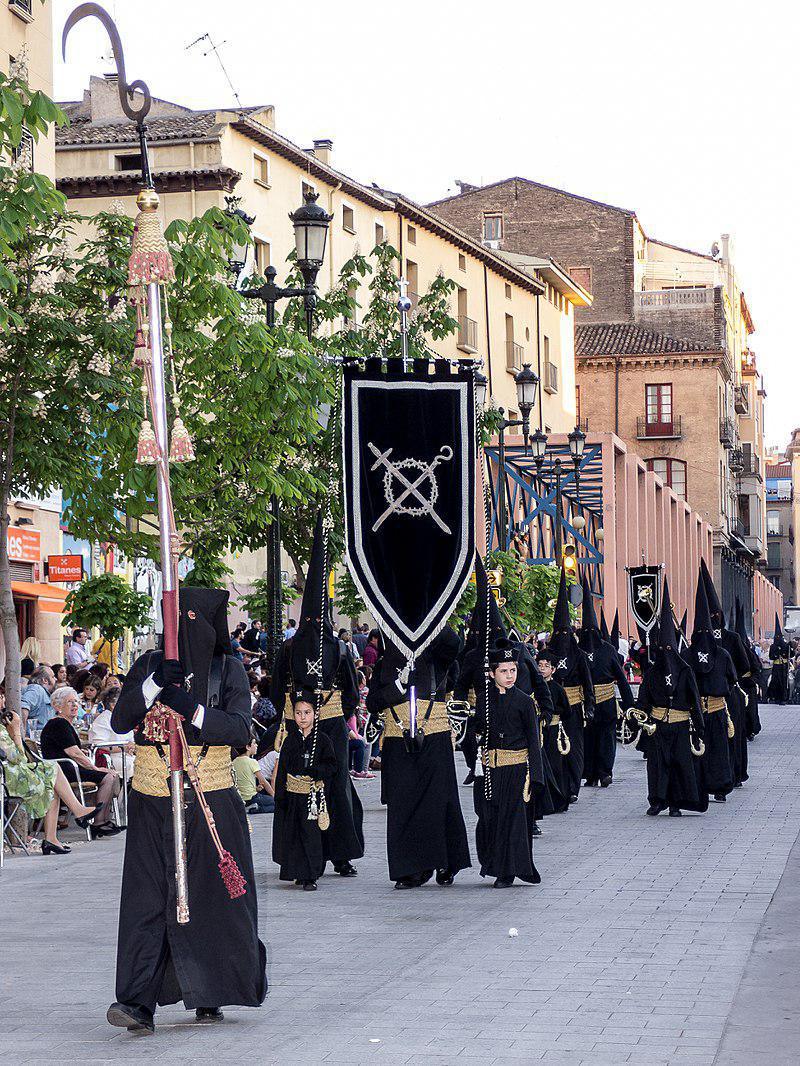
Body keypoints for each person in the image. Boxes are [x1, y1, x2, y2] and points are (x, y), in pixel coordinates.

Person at [106, 586, 266, 1035]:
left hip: (209, 797)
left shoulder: (227, 670)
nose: (186, 629)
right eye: (180, 619)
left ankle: (211, 990)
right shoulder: (149, 665)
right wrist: (155, 684)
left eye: (195, 621)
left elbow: (238, 729)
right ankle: (136, 1001)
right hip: (151, 799)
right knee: (147, 899)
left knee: (211, 898)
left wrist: (191, 710)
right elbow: (121, 720)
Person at [271, 514, 364, 878]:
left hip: (318, 722)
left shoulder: (318, 648)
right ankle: (316, 854)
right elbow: (351, 693)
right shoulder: (325, 647)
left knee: (332, 783)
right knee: (308, 783)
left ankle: (337, 853)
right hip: (313, 722)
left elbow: (278, 687)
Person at [366, 628, 471, 889]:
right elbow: (373, 703)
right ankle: (412, 868)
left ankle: (446, 861)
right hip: (398, 740)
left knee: (439, 801)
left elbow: (454, 643)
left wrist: (429, 616)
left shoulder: (436, 656)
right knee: (404, 804)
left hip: (434, 736)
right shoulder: (384, 664)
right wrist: (398, 686)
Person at [634, 577, 707, 817]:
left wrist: (699, 727)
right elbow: (644, 699)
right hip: (658, 726)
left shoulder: (685, 671)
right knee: (657, 765)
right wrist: (639, 718)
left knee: (679, 765)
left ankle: (676, 803)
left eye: (669, 650)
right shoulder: (652, 672)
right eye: (661, 650)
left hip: (680, 725)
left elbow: (694, 700)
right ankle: (657, 800)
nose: (665, 654)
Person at [473, 639, 542, 888]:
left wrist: (536, 776)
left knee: (512, 821)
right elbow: (478, 732)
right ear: (492, 674)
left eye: (513, 670)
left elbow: (534, 740)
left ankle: (509, 871)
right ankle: (494, 864)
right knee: (492, 818)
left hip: (517, 769)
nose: (510, 675)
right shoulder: (484, 699)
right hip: (491, 770)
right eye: (504, 671)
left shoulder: (524, 701)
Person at [1, 699, 100, 854]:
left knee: (52, 777)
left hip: (13, 776)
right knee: (52, 770)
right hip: (9, 780)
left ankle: (51, 839)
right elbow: (19, 758)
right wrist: (16, 732)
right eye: (0, 696)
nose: (3, 699)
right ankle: (76, 812)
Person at [271, 695, 337, 889]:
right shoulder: (290, 740)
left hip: (312, 796)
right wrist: (280, 795)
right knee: (294, 835)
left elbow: (332, 765)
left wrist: (316, 772)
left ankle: (310, 876)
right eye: (298, 713)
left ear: (315, 714)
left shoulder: (322, 740)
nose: (302, 717)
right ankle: (298, 872)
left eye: (307, 712)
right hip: (293, 795)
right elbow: (282, 769)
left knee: (311, 835)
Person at [39, 686, 121, 836]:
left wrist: (83, 755)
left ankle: (102, 821)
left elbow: (70, 749)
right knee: (108, 777)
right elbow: (73, 753)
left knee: (111, 775)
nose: (75, 705)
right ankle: (99, 822)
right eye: (69, 702)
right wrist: (95, 768)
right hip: (63, 770)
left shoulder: (63, 723)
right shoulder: (59, 723)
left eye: (76, 701)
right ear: (58, 706)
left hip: (65, 767)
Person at [578, 578, 634, 789]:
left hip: (606, 700)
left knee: (606, 738)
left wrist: (629, 705)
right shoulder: (578, 651)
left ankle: (604, 772)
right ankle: (590, 774)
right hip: (585, 702)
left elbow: (621, 678)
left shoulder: (608, 650)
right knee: (589, 738)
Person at [548, 569, 595, 803]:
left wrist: (590, 705)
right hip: (553, 707)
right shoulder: (547, 656)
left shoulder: (579, 656)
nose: (562, 636)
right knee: (554, 749)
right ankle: (558, 786)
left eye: (566, 632)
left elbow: (588, 684)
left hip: (575, 708)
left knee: (574, 748)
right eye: (559, 632)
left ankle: (574, 786)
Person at [688, 577, 735, 804]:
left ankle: (718, 786)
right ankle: (712, 787)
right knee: (707, 750)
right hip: (701, 711)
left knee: (713, 750)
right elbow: (732, 679)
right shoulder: (721, 654)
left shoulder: (687, 655)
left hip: (712, 710)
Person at [536, 650, 571, 813]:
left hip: (554, 731)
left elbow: (567, 711)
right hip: (538, 730)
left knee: (556, 766)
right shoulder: (533, 687)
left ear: (553, 669)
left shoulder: (557, 689)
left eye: (546, 666)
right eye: (540, 665)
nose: (542, 668)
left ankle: (559, 800)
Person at [89, 686, 136, 777]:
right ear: (113, 705)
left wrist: (132, 746)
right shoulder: (103, 719)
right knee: (135, 766)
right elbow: (99, 744)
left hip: (127, 755)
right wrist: (123, 748)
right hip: (111, 757)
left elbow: (131, 741)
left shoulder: (124, 718)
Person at [233, 737, 274, 813]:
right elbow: (263, 781)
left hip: (242, 798)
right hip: (253, 797)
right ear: (248, 747)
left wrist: (256, 789)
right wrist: (274, 795)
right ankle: (255, 809)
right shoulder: (252, 761)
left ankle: (253, 807)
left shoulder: (234, 762)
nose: (256, 745)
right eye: (254, 743)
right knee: (280, 805)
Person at [19, 664, 55, 736]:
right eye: (53, 677)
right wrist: (23, 735)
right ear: (45, 680)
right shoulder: (37, 689)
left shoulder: (42, 692)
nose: (55, 679)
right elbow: (23, 707)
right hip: (34, 740)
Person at [767, 613, 790, 705]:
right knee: (775, 682)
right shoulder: (773, 646)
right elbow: (771, 656)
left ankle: (783, 698)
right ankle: (776, 697)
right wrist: (776, 654)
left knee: (784, 682)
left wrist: (789, 648)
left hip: (784, 666)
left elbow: (790, 655)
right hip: (776, 666)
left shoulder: (785, 645)